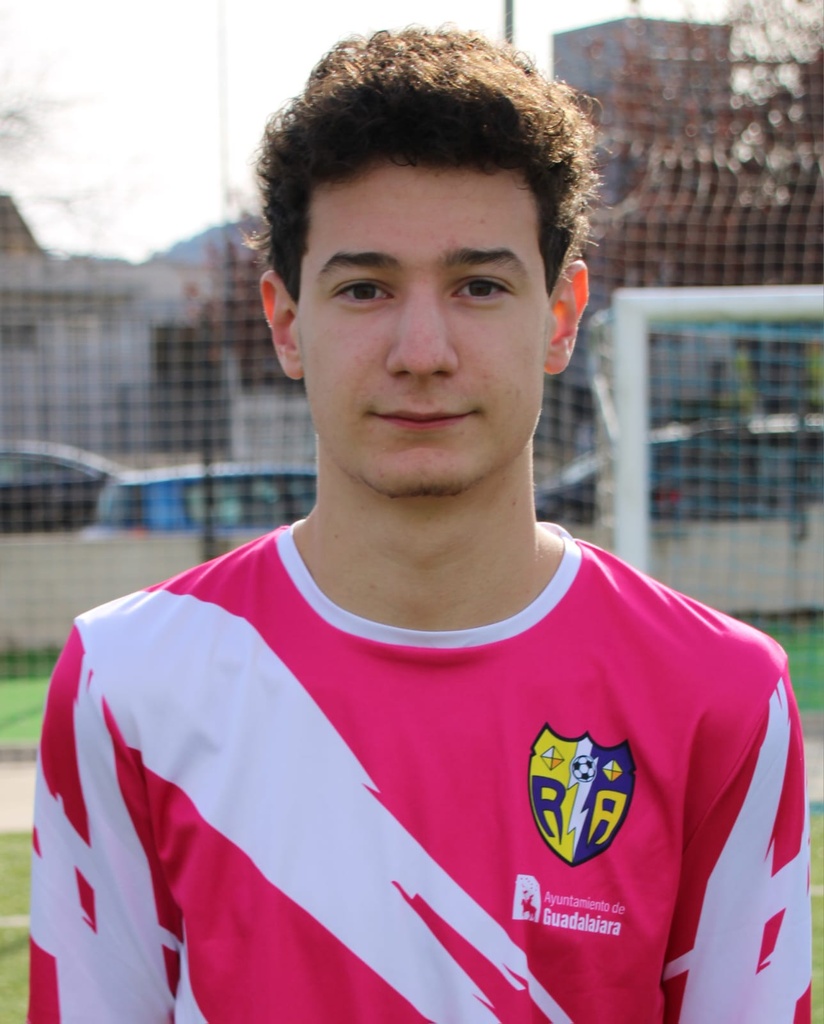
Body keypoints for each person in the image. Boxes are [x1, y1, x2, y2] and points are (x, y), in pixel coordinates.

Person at [28, 26, 811, 1024]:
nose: (422, 350)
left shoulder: (720, 694)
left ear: (561, 315)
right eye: (365, 288)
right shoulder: (128, 681)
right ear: (285, 321)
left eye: (479, 286)